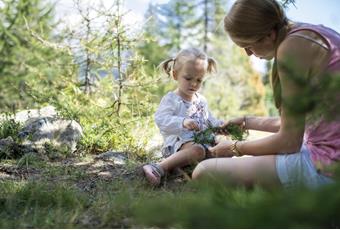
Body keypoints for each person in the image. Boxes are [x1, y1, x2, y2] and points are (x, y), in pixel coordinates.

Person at [192, 0, 340, 189]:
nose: (247, 53)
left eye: (248, 45)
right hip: (330, 153)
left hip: (329, 167)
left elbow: (290, 141)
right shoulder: (316, 34)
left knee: (204, 171)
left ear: (269, 34)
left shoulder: (291, 47)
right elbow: (301, 124)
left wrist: (234, 148)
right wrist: (247, 121)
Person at [143, 48, 223, 186]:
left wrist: (221, 126)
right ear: (175, 75)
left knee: (223, 147)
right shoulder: (172, 99)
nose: (193, 84)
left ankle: (211, 172)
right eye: (188, 78)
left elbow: (209, 119)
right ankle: (158, 168)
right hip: (178, 143)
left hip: (201, 140)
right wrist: (182, 122)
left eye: (199, 80)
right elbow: (161, 119)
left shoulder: (201, 100)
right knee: (197, 150)